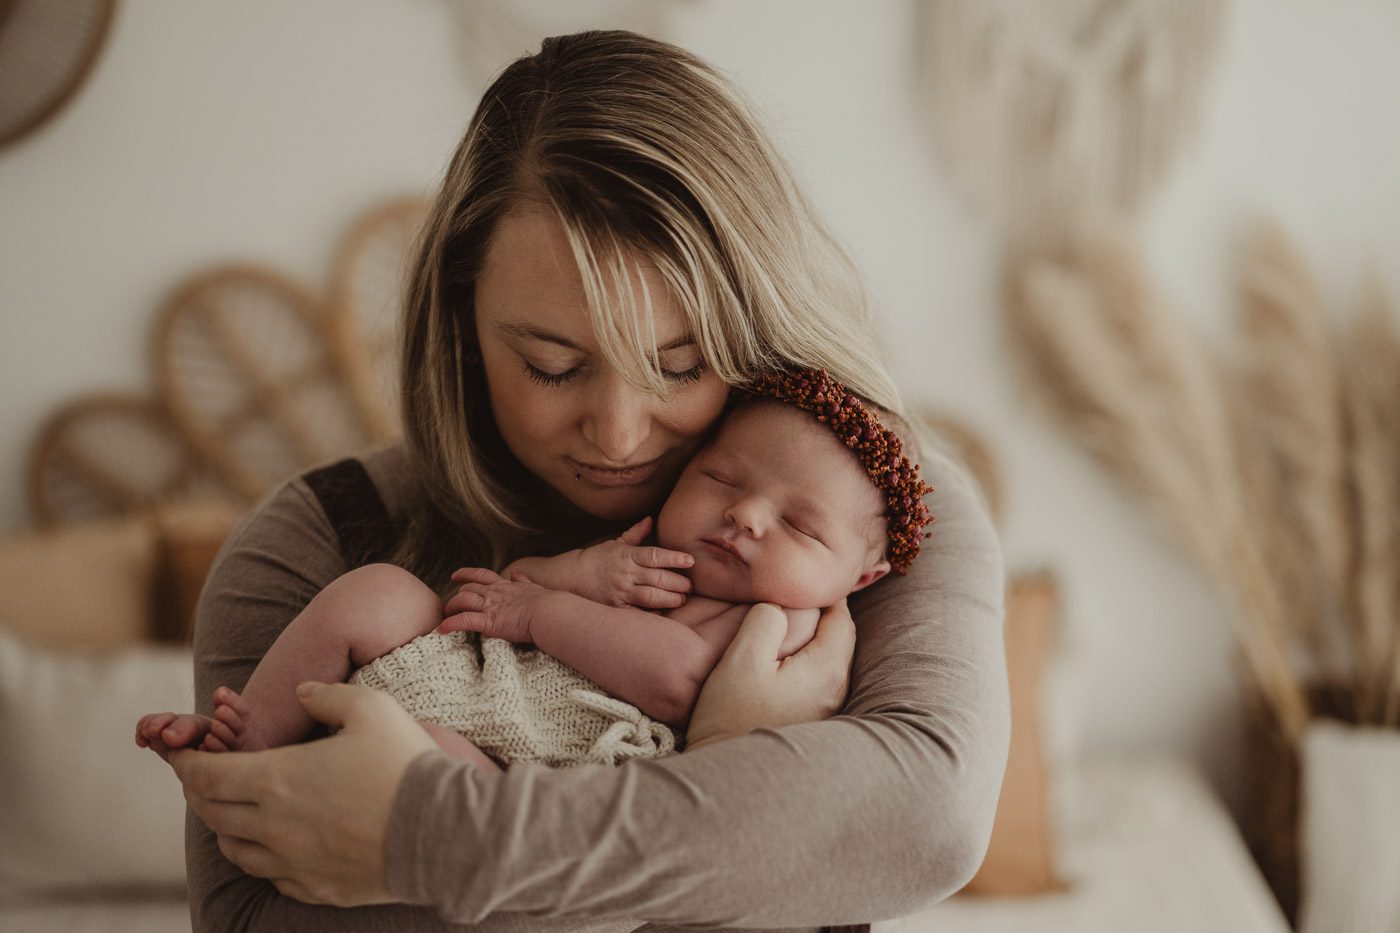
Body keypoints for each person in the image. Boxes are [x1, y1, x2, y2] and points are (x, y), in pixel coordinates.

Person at [155, 29, 1009, 932]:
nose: (620, 431)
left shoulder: (866, 516)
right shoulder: (309, 544)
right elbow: (249, 913)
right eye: (555, 366)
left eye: (681, 364)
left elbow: (931, 822)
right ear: (462, 324)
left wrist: (429, 835)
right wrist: (734, 804)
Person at [137, 372, 934, 769]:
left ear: (859, 578)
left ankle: (303, 768)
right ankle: (248, 742)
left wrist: (540, 616)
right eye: (722, 479)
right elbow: (512, 581)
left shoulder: (788, 621)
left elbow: (680, 680)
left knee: (421, 767)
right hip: (475, 665)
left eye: (797, 523)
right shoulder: (647, 546)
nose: (746, 516)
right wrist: (583, 572)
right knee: (377, 591)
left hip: (548, 761)